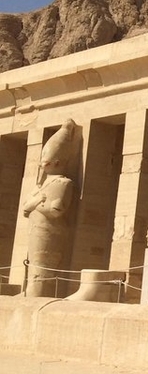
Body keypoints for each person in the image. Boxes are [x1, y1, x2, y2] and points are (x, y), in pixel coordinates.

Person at [22, 119, 77, 297]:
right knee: (33, 267)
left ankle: (38, 297)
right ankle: (31, 294)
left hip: (50, 232)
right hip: (36, 230)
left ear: (58, 162)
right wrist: (37, 203)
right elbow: (25, 208)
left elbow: (56, 211)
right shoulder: (42, 185)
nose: (42, 167)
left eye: (46, 163)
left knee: (43, 267)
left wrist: (36, 204)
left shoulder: (63, 183)